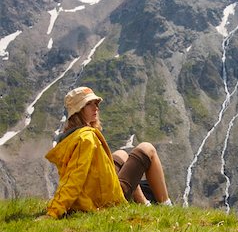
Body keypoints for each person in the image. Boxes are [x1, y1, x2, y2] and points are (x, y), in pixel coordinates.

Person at [43, 86, 172, 219]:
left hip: (93, 193)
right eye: (88, 104)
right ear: (78, 110)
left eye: (95, 103)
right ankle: (166, 206)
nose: (96, 108)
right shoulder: (85, 139)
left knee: (121, 154)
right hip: (105, 201)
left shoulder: (71, 136)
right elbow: (75, 177)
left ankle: (142, 201)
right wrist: (53, 212)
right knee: (147, 148)